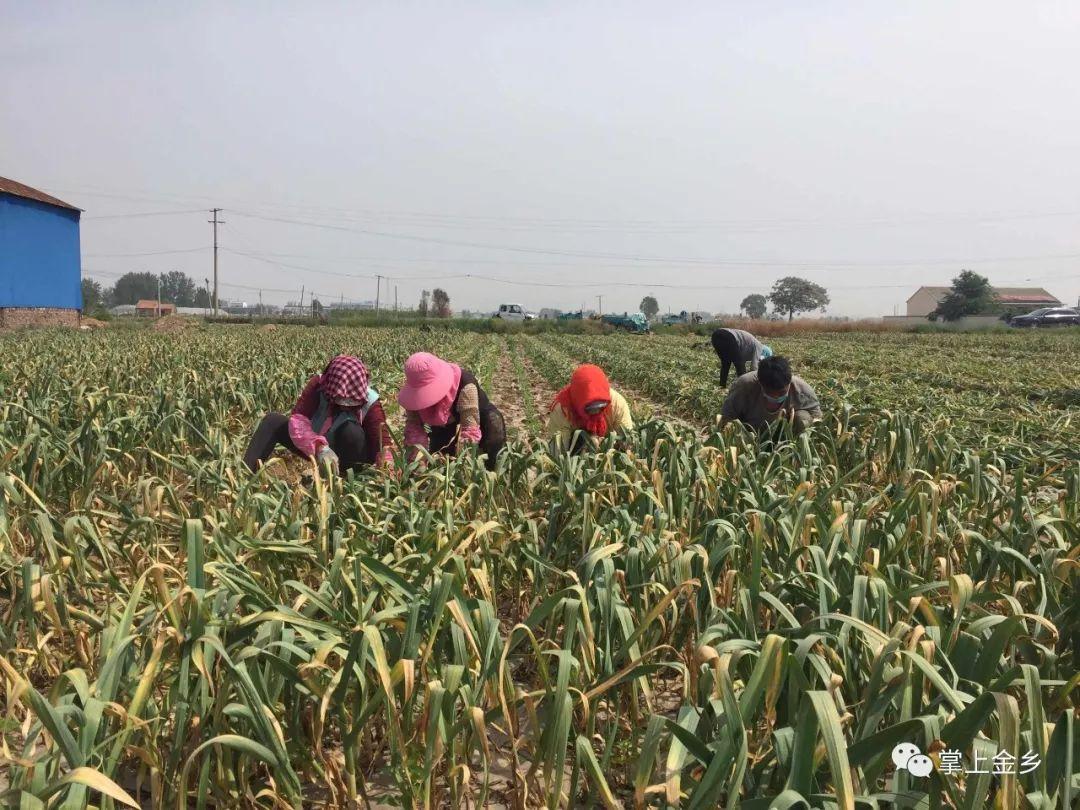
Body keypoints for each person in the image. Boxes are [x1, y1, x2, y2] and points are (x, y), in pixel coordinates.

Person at [243, 354, 393, 474]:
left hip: (352, 454)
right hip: (317, 447)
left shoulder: (370, 401)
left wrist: (388, 467)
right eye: (340, 400)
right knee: (272, 421)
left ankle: (347, 483)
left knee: (351, 431)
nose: (345, 406)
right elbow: (298, 420)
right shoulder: (319, 386)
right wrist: (320, 447)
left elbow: (383, 444)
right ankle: (244, 476)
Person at [398, 351, 506, 470]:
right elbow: (414, 428)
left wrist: (464, 467)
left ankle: (491, 470)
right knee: (441, 460)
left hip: (480, 420)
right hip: (443, 425)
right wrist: (416, 460)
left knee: (494, 429)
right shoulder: (413, 396)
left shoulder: (466, 386)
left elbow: (469, 429)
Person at [720, 355, 821, 434]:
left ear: (789, 382)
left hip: (785, 434)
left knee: (804, 418)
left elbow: (817, 419)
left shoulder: (802, 390)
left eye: (782, 392)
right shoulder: (743, 386)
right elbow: (727, 417)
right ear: (760, 383)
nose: (776, 397)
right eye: (769, 393)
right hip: (750, 432)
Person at [546, 364, 634, 453]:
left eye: (600, 407)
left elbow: (627, 440)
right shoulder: (563, 409)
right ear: (578, 400)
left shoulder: (617, 403)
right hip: (574, 450)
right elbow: (557, 452)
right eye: (590, 408)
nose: (596, 412)